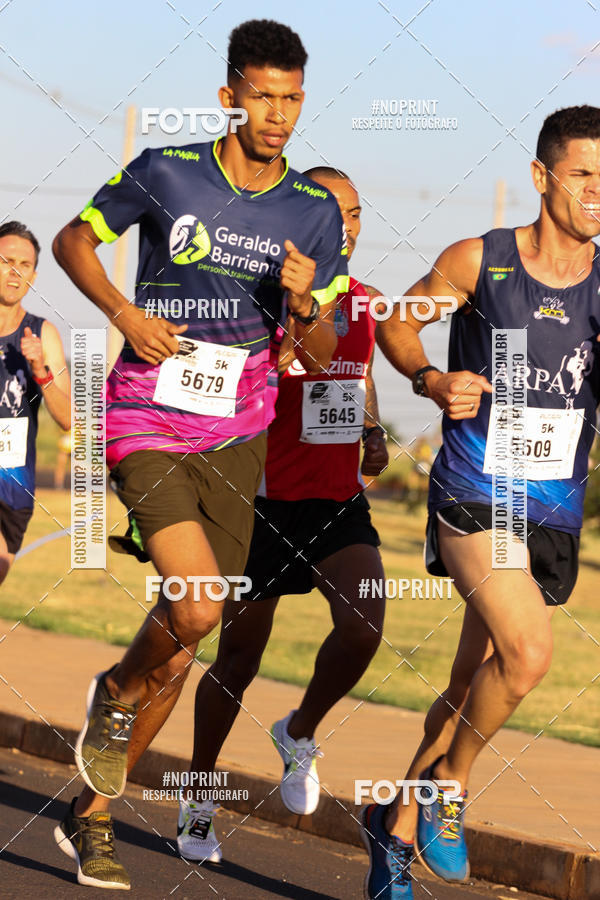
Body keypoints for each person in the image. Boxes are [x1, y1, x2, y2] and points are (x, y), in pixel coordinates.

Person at [52, 19, 348, 890]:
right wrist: (122, 312)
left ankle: (92, 813)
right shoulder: (167, 170)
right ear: (229, 97)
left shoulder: (314, 211)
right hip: (148, 413)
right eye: (262, 96)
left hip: (238, 432)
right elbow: (75, 238)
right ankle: (114, 691)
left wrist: (304, 304)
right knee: (196, 608)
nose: (279, 114)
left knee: (183, 648)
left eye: (292, 98)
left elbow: (322, 350)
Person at [360, 104, 600, 899]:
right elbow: (396, 325)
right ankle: (447, 788)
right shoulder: (479, 261)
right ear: (541, 177)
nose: (598, 192)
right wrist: (431, 379)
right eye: (582, 174)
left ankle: (394, 826)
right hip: (474, 493)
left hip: (553, 513)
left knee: (471, 684)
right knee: (527, 655)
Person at [176, 166, 389, 864]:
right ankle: (199, 797)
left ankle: (298, 731)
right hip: (260, 501)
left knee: (363, 626)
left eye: (355, 213)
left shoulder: (366, 302)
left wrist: (373, 429)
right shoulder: (258, 297)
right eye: (334, 212)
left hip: (335, 499)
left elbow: (358, 373)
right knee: (238, 657)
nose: (348, 224)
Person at [0, 222, 70, 581]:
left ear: (34, 274)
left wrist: (40, 371)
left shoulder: (43, 333)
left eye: (24, 265)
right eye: (6, 260)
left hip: (12, 482)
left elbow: (68, 417)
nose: (15, 272)